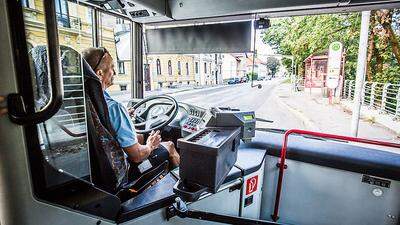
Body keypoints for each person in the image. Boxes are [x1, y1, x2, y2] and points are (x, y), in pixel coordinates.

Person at [82, 47, 180, 171]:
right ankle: (182, 185)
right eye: (112, 67)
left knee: (139, 135)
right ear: (99, 74)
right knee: (170, 145)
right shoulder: (114, 108)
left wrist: (124, 116)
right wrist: (150, 145)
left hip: (99, 167)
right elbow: (137, 156)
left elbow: (104, 121)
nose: (115, 72)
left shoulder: (87, 100)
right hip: (123, 170)